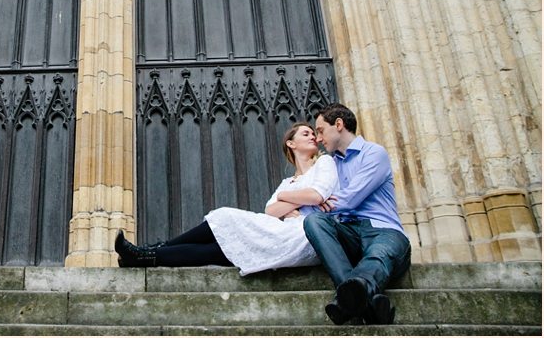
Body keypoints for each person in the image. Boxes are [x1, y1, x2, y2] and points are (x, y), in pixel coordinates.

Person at [115, 122, 338, 276]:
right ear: (291, 143)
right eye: (306, 134)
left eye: (313, 133)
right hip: (280, 231)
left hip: (303, 235)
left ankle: (149, 252)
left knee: (224, 219)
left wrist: (285, 199)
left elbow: (316, 194)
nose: (313, 138)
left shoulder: (324, 163)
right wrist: (298, 200)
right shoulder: (287, 182)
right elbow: (270, 211)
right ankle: (146, 255)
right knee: (217, 249)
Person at [304, 103, 411, 326]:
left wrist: (323, 200)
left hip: (383, 231)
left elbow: (352, 198)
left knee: (378, 255)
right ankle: (368, 305)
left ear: (339, 125)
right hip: (350, 235)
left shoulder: (374, 153)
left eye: (321, 130)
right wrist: (313, 200)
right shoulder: (330, 164)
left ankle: (348, 300)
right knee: (314, 221)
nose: (318, 138)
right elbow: (314, 202)